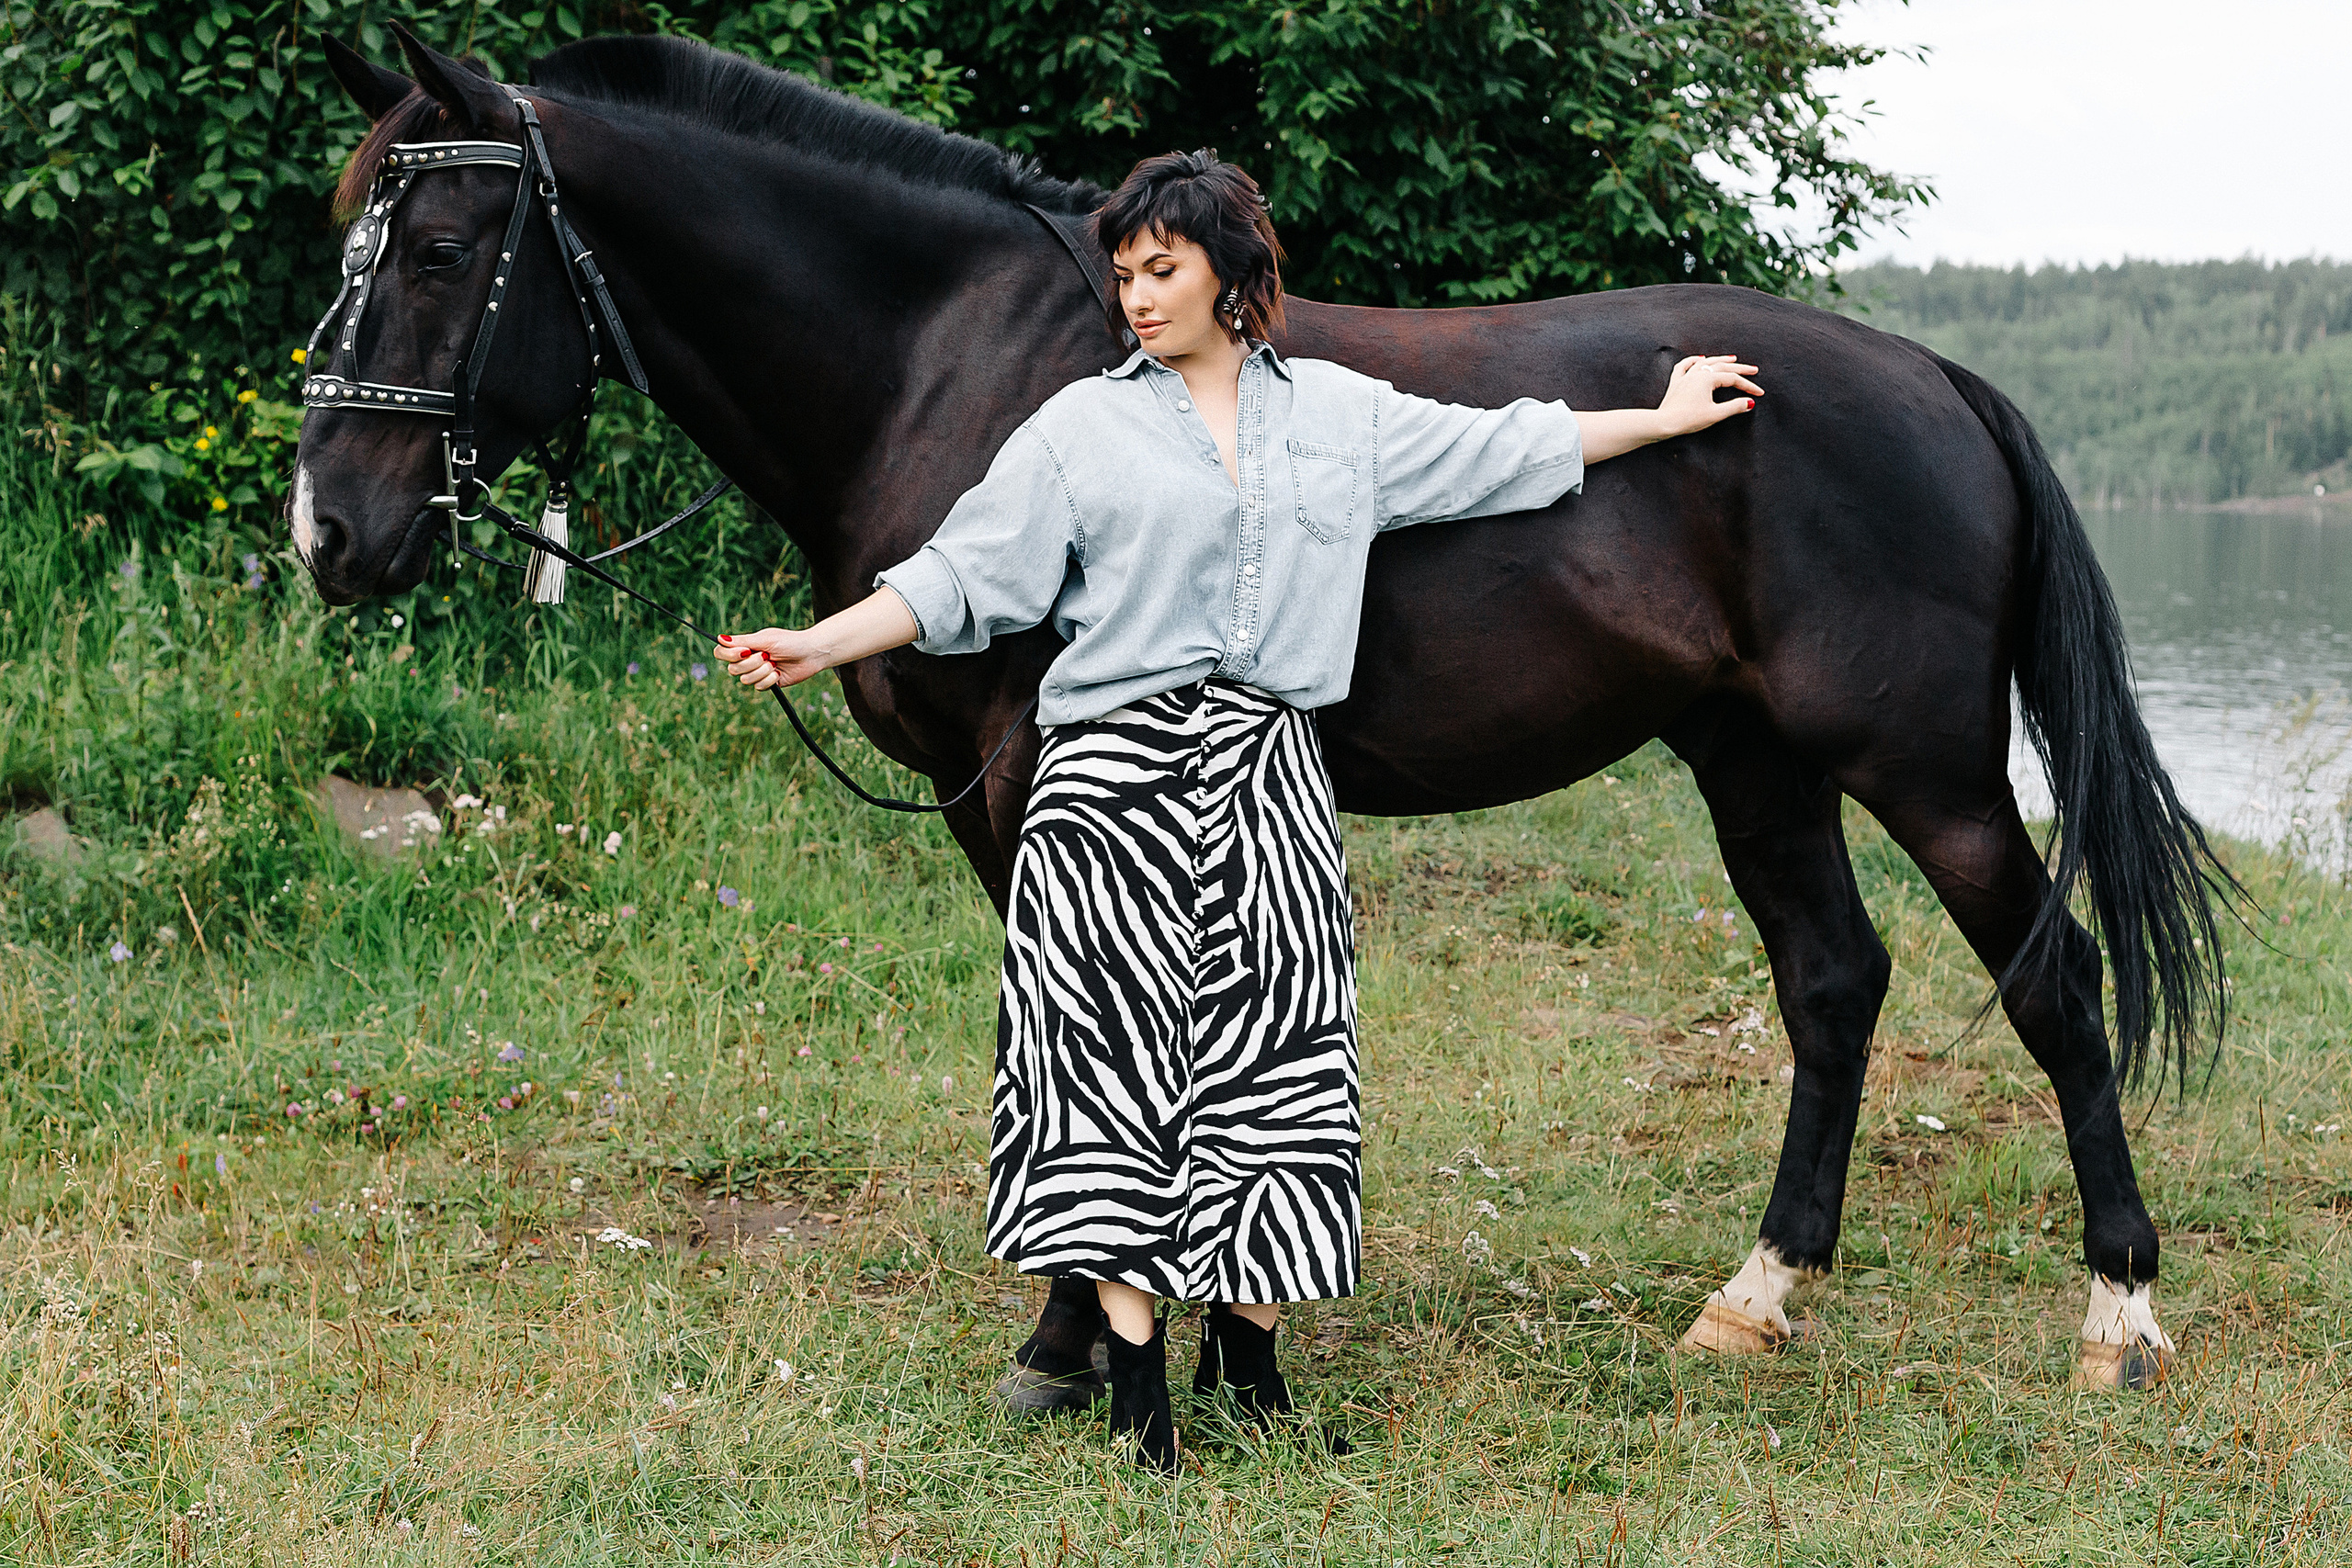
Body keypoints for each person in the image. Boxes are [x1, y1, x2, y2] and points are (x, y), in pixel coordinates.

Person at [714, 149, 1763, 1472]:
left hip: (1270, 773)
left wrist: (1662, 422)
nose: (1137, 296)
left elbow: (1509, 450)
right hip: (1108, 784)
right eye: (1125, 274)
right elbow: (962, 573)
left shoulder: (1339, 415)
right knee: (1109, 1082)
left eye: (1164, 269)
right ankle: (1140, 1384)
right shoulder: (1079, 429)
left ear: (1232, 274)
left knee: (1279, 1075)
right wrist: (818, 641)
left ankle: (1251, 1357)